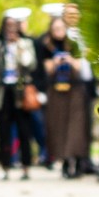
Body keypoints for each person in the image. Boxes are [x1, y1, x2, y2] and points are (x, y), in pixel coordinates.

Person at [36, 12, 92, 178]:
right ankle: (65, 161)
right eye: (55, 28)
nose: (58, 31)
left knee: (75, 126)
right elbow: (45, 68)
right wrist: (55, 61)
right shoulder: (46, 45)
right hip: (57, 91)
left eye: (61, 27)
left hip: (75, 90)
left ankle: (78, 159)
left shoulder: (74, 44)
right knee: (59, 125)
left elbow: (81, 67)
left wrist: (69, 60)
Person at [0, 11, 41, 179]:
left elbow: (29, 64)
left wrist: (19, 47)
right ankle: (6, 167)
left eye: (13, 26)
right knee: (3, 130)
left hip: (20, 92)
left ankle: (26, 166)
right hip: (2, 91)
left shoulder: (25, 43)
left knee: (24, 130)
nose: (10, 30)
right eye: (7, 26)